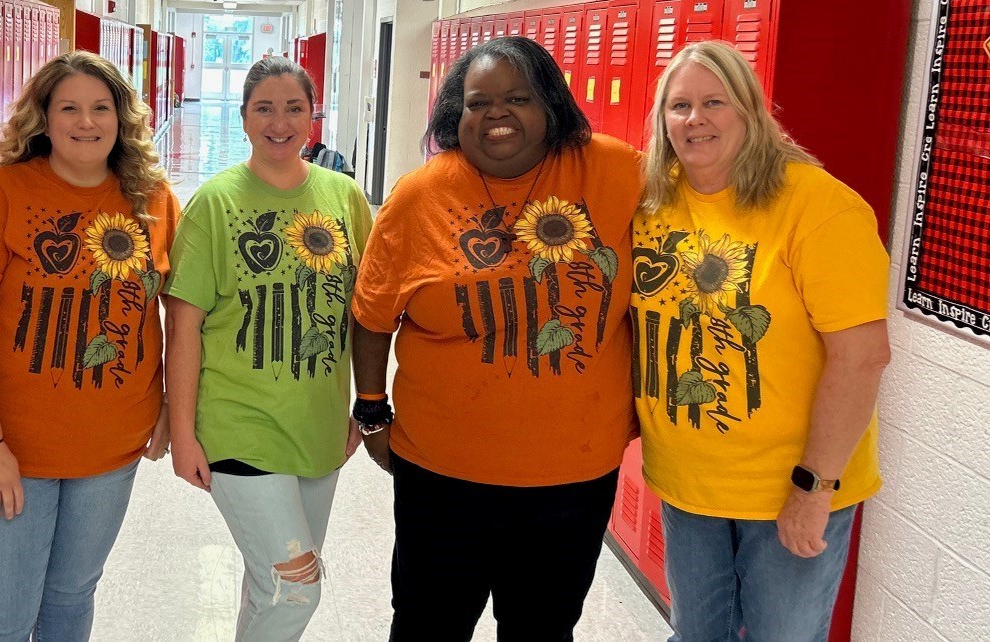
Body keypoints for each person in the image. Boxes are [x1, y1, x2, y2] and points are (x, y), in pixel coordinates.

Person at [350, 36, 643, 640]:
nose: (497, 114)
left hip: (573, 474)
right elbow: (372, 316)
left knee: (542, 627)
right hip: (443, 473)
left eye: (518, 98)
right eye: (479, 103)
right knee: (429, 623)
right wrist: (373, 412)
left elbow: (710, 187)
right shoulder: (419, 197)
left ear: (552, 105)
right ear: (456, 113)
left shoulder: (618, 171)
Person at [632, 41, 889, 641]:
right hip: (687, 484)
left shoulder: (818, 206)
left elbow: (862, 357)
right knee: (698, 636)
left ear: (750, 109)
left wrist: (815, 488)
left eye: (714, 102)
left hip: (789, 487)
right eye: (679, 106)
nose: (695, 120)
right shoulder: (654, 201)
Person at [0, 50, 178, 641]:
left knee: (71, 602)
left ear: (122, 119)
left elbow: (172, 314)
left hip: (112, 447)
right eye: (69, 107)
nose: (86, 121)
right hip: (12, 451)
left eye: (101, 107)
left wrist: (170, 407)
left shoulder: (153, 200)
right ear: (43, 117)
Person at [165, 56, 371, 641]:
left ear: (314, 116)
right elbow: (184, 326)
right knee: (298, 587)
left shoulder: (345, 197)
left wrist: (365, 406)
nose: (279, 122)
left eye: (293, 108)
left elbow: (365, 313)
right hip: (239, 424)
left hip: (318, 426)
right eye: (264, 108)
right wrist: (183, 432)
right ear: (243, 117)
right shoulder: (216, 202)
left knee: (271, 586)